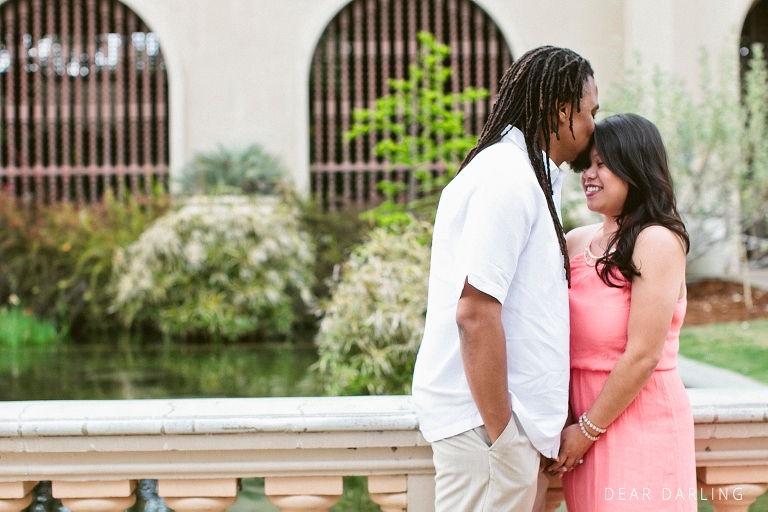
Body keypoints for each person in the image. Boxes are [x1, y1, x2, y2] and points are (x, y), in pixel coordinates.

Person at [411, 46, 598, 512]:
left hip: (501, 438)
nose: (595, 126)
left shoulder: (527, 176)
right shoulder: (505, 177)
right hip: (486, 437)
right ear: (561, 111)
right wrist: (503, 436)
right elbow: (474, 313)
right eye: (591, 111)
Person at [549, 113, 696, 511]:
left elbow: (644, 354)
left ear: (636, 168)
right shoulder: (576, 242)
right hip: (581, 430)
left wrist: (586, 430)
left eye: (602, 164)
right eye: (587, 164)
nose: (588, 175)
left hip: (638, 424)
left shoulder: (657, 240)